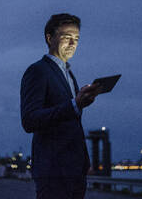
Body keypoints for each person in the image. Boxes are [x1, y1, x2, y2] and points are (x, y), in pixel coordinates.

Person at [20, 13, 100, 199]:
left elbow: (68, 118)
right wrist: (74, 104)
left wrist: (81, 103)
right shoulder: (38, 71)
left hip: (75, 169)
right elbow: (29, 120)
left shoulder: (69, 74)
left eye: (76, 39)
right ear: (49, 38)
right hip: (53, 169)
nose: (73, 44)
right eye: (66, 37)